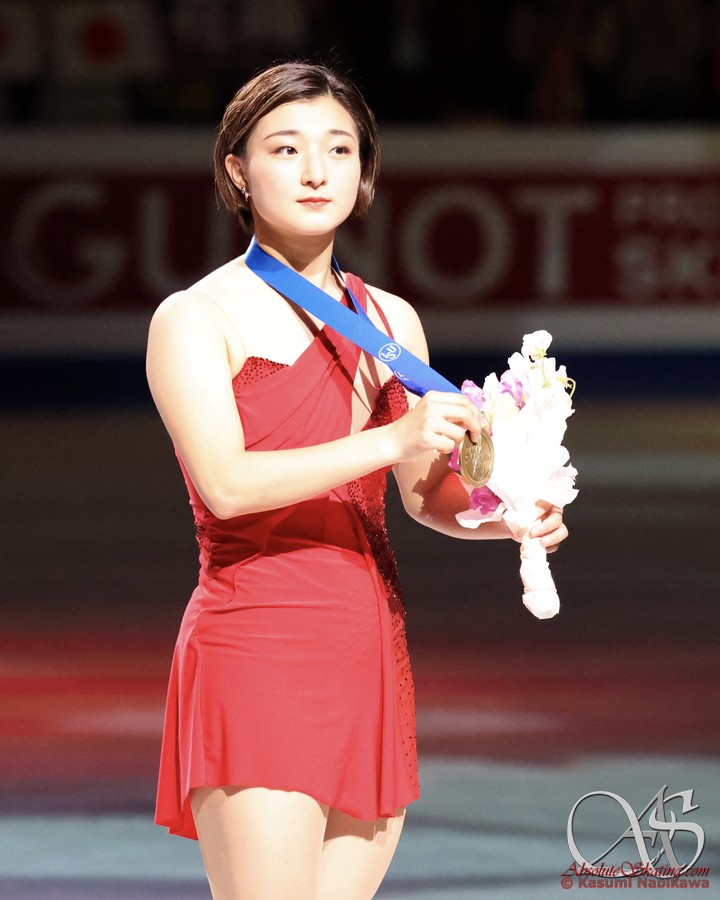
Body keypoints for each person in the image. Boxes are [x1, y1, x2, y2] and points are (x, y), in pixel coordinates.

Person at [146, 60, 568, 900]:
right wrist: (395, 437)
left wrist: (505, 515)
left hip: (368, 646)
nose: (316, 171)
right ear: (238, 170)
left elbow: (424, 495)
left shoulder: (389, 320)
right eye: (286, 148)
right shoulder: (195, 318)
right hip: (256, 644)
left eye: (339, 149)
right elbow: (227, 486)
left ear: (363, 169)